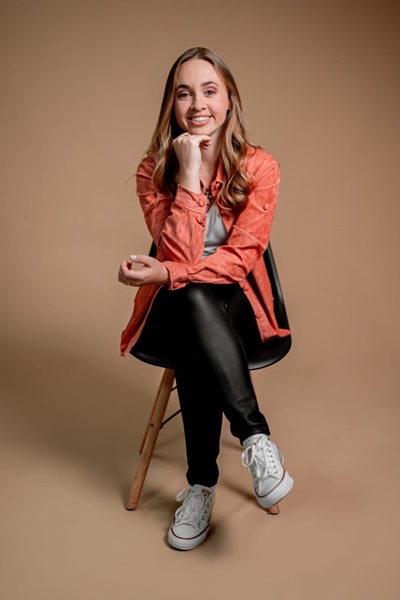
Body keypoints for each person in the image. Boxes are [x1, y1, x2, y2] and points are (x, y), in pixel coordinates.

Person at [118, 47, 293, 551]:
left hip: (240, 309)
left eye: (209, 90)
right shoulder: (153, 170)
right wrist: (189, 169)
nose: (198, 104)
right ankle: (256, 440)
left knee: (191, 297)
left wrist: (169, 273)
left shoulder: (261, 167)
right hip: (176, 308)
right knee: (191, 299)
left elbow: (238, 261)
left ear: (229, 99)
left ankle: (202, 485)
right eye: (184, 93)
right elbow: (180, 251)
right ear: (171, 104)